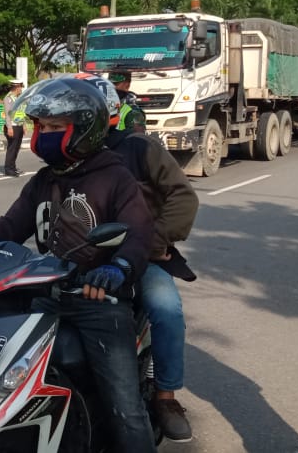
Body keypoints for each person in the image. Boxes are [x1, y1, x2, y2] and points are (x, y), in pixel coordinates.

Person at [0, 77, 157, 453]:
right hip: (46, 297)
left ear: (84, 129)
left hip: (98, 303)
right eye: (40, 127)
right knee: (2, 381)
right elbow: (9, 227)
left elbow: (138, 231)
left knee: (125, 409)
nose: (43, 135)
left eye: (54, 127)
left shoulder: (115, 177)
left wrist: (116, 268)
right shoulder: (43, 180)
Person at [98, 73, 199, 442]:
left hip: (141, 257)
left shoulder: (141, 148)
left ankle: (166, 396)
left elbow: (184, 199)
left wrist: (149, 241)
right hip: (86, 256)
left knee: (166, 308)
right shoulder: (71, 157)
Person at [2, 78, 26, 176]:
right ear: (16, 87)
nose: (21, 89)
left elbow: (21, 112)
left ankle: (13, 167)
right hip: (12, 126)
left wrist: (24, 125)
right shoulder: (8, 98)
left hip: (19, 125)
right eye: (20, 87)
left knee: (16, 148)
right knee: (12, 148)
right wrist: (10, 128)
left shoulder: (18, 98)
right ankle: (8, 169)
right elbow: (8, 114)